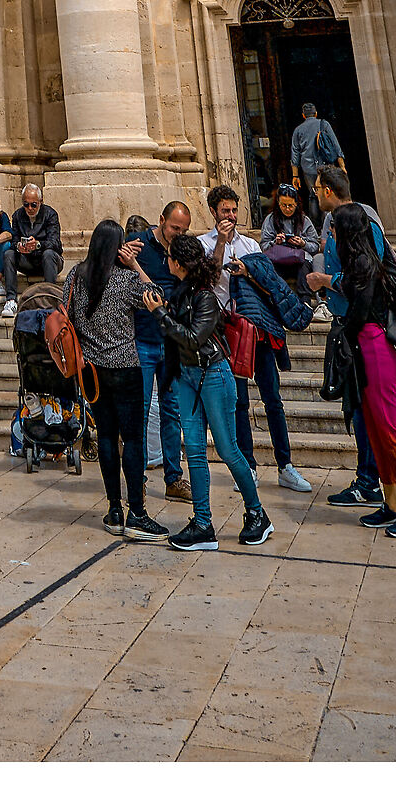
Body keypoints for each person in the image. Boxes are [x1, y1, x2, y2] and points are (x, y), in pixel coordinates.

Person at [141, 232, 273, 553]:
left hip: (213, 374)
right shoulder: (181, 291)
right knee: (195, 452)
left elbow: (193, 338)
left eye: (170, 257)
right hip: (187, 375)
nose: (166, 261)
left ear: (179, 263)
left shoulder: (205, 297)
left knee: (228, 450)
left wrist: (160, 314)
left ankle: (257, 514)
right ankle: (203, 524)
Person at [307, 165, 396, 509]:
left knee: (389, 421)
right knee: (368, 419)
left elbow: (366, 278)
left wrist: (326, 282)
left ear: (328, 190)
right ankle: (380, 490)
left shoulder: (358, 219)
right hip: (352, 330)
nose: (314, 194)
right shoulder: (337, 221)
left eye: (316, 188)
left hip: (366, 330)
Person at [201, 185, 312, 495]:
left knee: (272, 399)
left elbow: (269, 283)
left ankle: (285, 466)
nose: (231, 216)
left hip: (258, 330)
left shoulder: (251, 244)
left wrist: (248, 271)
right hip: (228, 331)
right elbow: (209, 280)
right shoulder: (204, 244)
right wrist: (221, 245)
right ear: (213, 212)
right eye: (225, 211)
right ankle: (247, 465)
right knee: (238, 403)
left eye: (234, 211)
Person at [66, 219, 165, 538]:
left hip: (92, 372)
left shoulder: (75, 275)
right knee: (133, 440)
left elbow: (66, 315)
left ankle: (114, 510)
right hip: (125, 368)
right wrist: (135, 263)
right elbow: (157, 296)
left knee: (107, 438)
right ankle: (137, 511)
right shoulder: (125, 279)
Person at [332, 201, 396, 533]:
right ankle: (389, 502)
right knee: (374, 429)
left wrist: (342, 330)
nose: (330, 234)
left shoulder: (362, 263)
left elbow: (359, 311)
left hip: (373, 345)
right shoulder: (360, 261)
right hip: (365, 346)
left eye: (334, 228)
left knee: (389, 430)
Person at [134, 201, 191, 502]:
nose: (177, 235)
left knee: (172, 411)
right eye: (174, 228)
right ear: (161, 221)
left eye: (183, 230)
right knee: (141, 412)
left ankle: (174, 478)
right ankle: (138, 480)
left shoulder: (181, 250)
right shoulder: (139, 246)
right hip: (142, 340)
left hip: (170, 342)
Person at [289, 102, 344, 222]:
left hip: (307, 168)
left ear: (303, 115)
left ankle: (315, 226)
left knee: (313, 195)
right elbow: (335, 145)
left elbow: (295, 154)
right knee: (327, 193)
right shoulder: (324, 125)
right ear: (316, 113)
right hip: (325, 166)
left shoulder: (298, 130)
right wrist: (342, 166)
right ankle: (328, 223)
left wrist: (295, 175)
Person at [259, 183, 321, 283]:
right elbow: (263, 246)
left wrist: (303, 243)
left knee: (305, 267)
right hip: (278, 259)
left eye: (291, 205)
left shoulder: (304, 220)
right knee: (271, 269)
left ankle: (304, 298)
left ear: (296, 203)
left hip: (299, 260)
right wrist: (275, 242)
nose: (287, 209)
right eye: (284, 205)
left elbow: (315, 247)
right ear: (278, 203)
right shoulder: (270, 220)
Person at [9, 183, 63, 289]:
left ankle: (50, 295)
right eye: (26, 204)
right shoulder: (17, 215)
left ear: (40, 202)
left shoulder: (50, 214)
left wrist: (38, 245)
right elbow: (13, 241)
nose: (30, 208)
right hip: (28, 261)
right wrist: (19, 246)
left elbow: (55, 243)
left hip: (49, 261)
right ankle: (10, 299)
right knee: (8, 254)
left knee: (48, 254)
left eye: (33, 204)